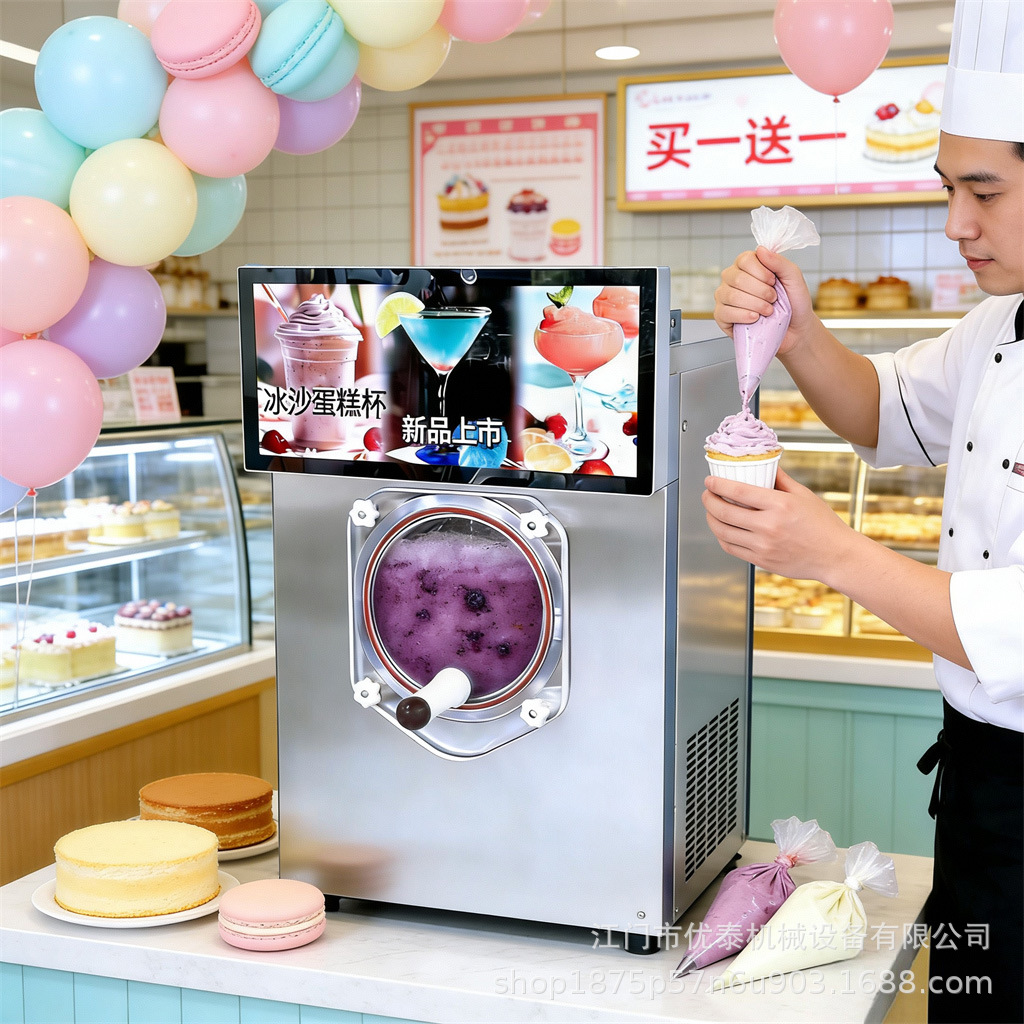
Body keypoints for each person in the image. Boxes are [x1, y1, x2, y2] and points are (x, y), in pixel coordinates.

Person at [704, 3, 1023, 1021]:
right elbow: (881, 411)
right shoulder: (995, 326)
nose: (955, 224)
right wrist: (798, 334)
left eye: (985, 192)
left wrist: (829, 550)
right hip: (978, 778)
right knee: (971, 1001)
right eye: (947, 190)